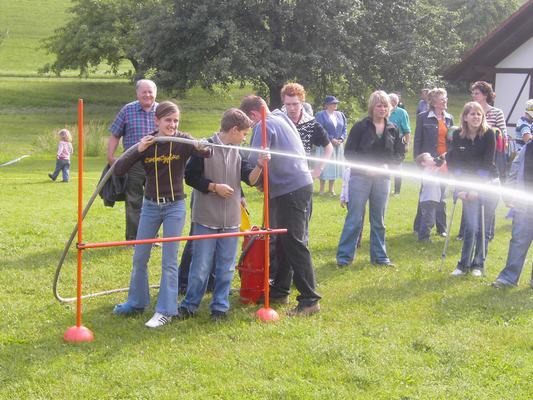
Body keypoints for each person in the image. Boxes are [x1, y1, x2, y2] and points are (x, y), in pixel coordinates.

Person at [112, 101, 209, 328]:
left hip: (175, 207)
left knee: (169, 261)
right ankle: (136, 303)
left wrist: (201, 146)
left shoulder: (182, 141)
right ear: (157, 121)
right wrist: (138, 149)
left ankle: (166, 311)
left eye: (176, 121)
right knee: (140, 257)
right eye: (168, 120)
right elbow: (118, 169)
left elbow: (208, 152)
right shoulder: (148, 142)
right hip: (150, 206)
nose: (172, 125)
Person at [177, 109, 266, 320]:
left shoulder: (238, 151)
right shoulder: (205, 148)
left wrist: (260, 166)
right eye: (244, 133)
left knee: (225, 267)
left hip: (231, 221)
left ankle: (220, 307)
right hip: (206, 218)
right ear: (234, 130)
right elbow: (190, 177)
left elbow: (250, 179)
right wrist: (214, 187)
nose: (245, 138)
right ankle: (189, 305)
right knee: (200, 266)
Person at [240, 95, 321, 317]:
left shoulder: (263, 125)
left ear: (254, 115)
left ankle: (310, 299)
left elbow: (255, 163)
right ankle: (280, 290)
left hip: (290, 189)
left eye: (249, 122)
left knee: (294, 242)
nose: (250, 127)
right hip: (299, 185)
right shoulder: (281, 117)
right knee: (284, 241)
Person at [336, 90, 405, 267]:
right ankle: (344, 258)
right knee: (354, 218)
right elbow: (349, 152)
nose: (382, 109)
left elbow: (399, 154)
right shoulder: (360, 126)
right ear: (372, 107)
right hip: (360, 177)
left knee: (378, 220)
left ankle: (380, 258)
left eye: (385, 106)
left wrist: (385, 166)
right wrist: (367, 168)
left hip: (383, 178)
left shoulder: (393, 129)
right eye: (379, 105)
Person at [446, 101, 497, 277]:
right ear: (465, 117)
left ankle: (478, 264)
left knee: (484, 227)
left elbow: (487, 163)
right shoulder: (458, 135)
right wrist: (461, 187)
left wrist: (478, 187)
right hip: (467, 184)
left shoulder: (489, 134)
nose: (476, 117)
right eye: (472, 114)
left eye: (479, 114)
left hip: (488, 183)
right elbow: (455, 163)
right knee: (471, 226)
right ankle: (463, 264)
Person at [108, 79, 158, 241]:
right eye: (144, 92)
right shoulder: (127, 110)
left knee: (155, 201)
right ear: (137, 93)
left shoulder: (162, 111)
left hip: (157, 162)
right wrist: (111, 156)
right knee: (134, 200)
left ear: (155, 93)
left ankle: (152, 238)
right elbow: (115, 134)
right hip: (134, 162)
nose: (147, 95)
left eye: (150, 91)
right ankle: (133, 238)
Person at [413, 88, 454, 237]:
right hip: (429, 161)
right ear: (434, 102)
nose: (445, 101)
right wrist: (418, 160)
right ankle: (419, 226)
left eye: (446, 98)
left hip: (444, 160)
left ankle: (441, 228)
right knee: (426, 194)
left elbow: (451, 141)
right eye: (442, 99)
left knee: (441, 194)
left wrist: (449, 158)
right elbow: (417, 140)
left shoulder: (449, 118)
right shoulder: (423, 117)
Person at [492, 140, 533, 288]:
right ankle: (508, 279)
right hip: (524, 204)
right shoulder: (527, 148)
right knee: (518, 241)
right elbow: (515, 170)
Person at [315, 95, 347, 196]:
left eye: (336, 103)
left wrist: (341, 138)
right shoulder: (320, 115)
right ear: (327, 105)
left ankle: (331, 188)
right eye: (333, 103)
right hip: (325, 144)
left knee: (334, 165)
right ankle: (321, 189)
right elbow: (320, 128)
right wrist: (331, 138)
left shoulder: (340, 114)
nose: (335, 105)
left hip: (338, 145)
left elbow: (344, 128)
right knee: (324, 165)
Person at [415, 153, 445, 242]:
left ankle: (424, 236)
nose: (432, 158)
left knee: (430, 219)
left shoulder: (433, 168)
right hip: (428, 200)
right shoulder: (427, 170)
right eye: (429, 157)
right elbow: (438, 162)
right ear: (423, 163)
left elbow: (441, 162)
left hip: (434, 199)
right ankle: (423, 238)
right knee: (428, 220)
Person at [388, 93, 411, 195]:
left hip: (398, 142)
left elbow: (407, 130)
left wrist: (407, 144)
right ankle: (386, 188)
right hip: (386, 141)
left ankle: (397, 191)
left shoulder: (402, 113)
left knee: (397, 166)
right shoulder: (385, 111)